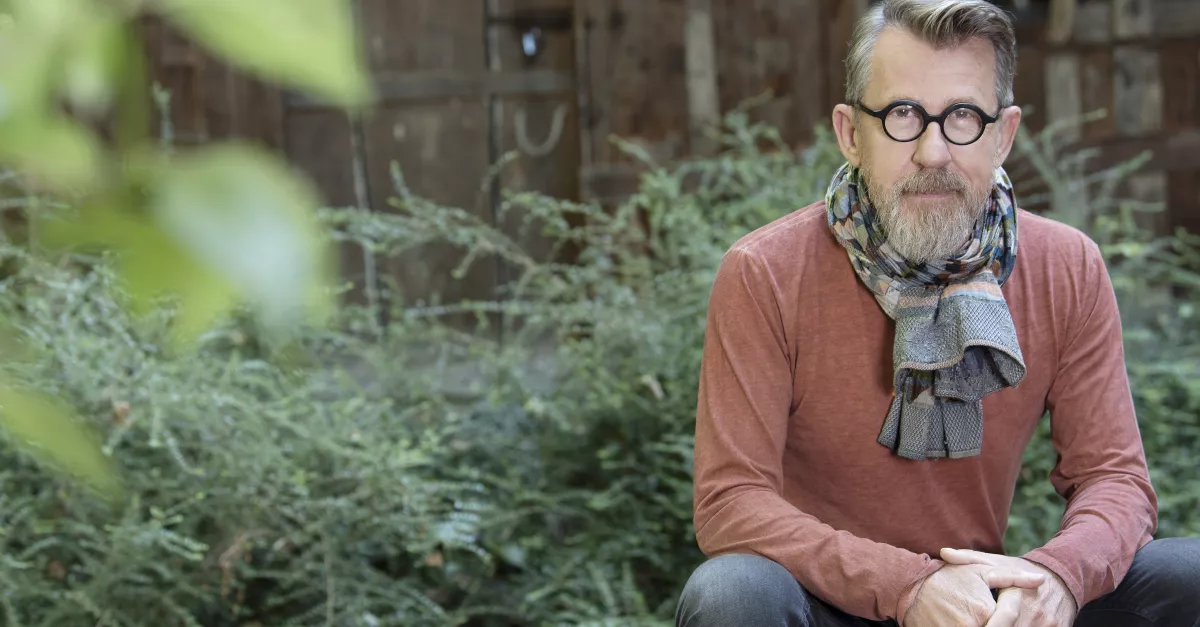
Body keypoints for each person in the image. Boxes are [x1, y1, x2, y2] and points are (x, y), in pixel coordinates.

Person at [674, 1, 1200, 626]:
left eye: (963, 117)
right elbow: (731, 502)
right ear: (851, 133)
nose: (933, 151)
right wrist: (908, 586)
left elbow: (1115, 480)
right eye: (902, 114)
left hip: (985, 608)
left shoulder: (1067, 266)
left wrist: (1056, 579)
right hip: (825, 603)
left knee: (1186, 574)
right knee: (732, 591)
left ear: (1003, 135)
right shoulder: (764, 272)